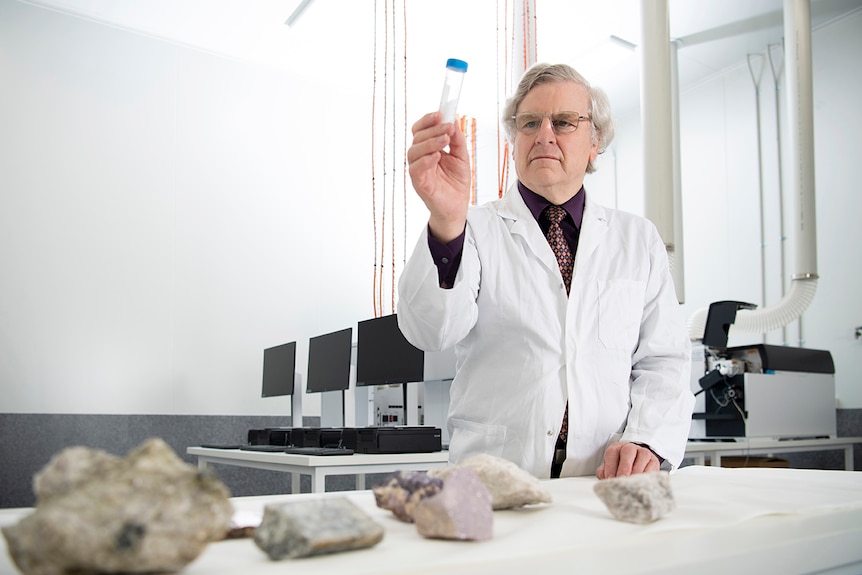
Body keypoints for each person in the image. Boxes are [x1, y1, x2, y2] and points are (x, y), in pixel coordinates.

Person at [397, 62, 694, 480]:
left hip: (604, 478)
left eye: (564, 122)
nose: (544, 135)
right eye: (529, 123)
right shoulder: (474, 228)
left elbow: (665, 360)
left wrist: (647, 439)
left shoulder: (637, 240)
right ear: (513, 143)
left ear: (595, 143)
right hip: (496, 476)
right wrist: (446, 222)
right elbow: (430, 332)